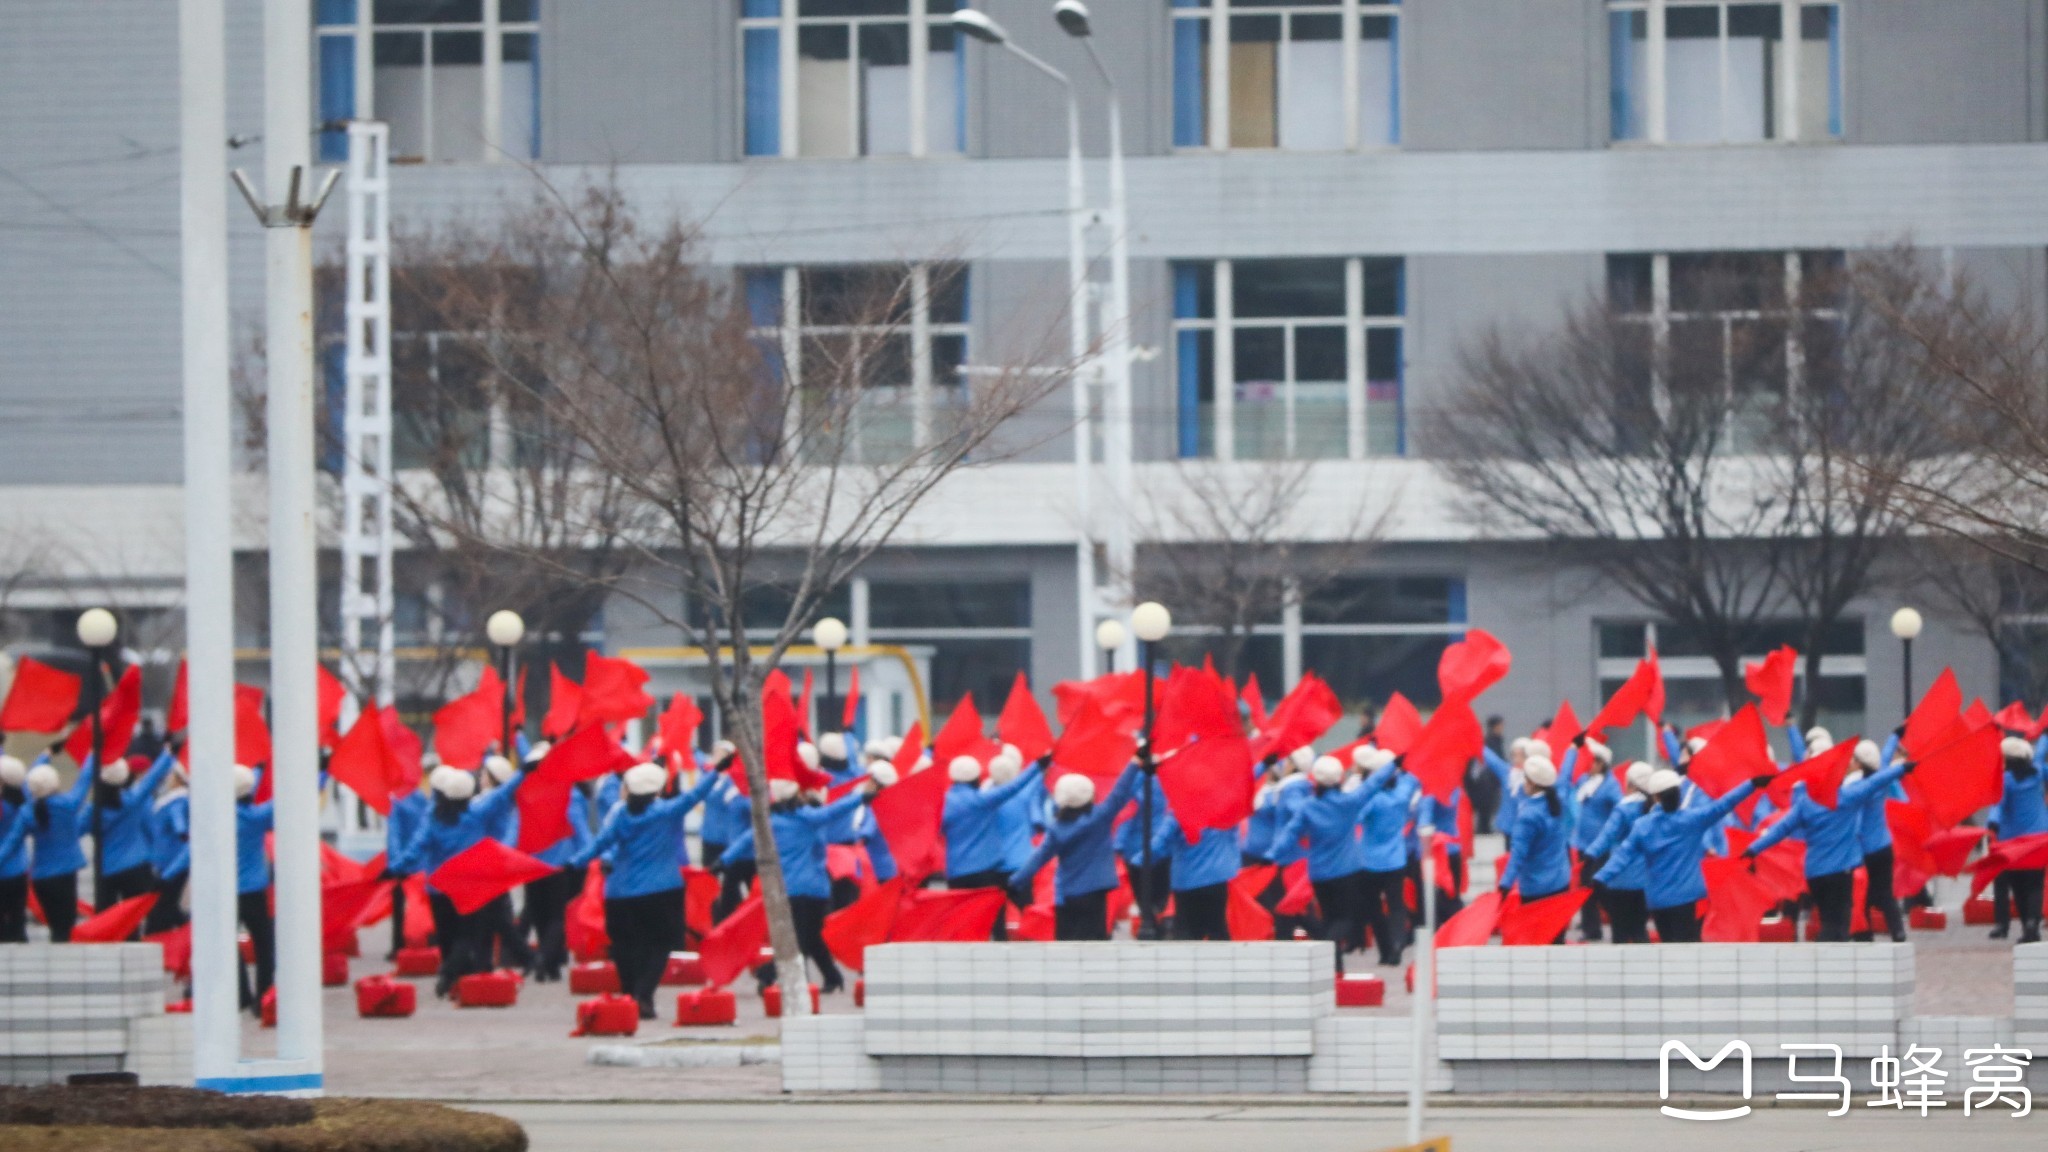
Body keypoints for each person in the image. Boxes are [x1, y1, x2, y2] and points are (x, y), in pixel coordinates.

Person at [571, 763, 724, 1018]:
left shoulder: (620, 814)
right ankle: (643, 994)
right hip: (661, 890)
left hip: (620, 892)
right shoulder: (665, 812)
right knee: (659, 944)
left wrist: (574, 863)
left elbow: (601, 843)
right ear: (656, 790)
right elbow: (695, 795)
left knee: (624, 945)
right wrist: (716, 771)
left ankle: (630, 995)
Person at [719, 772, 883, 995]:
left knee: (799, 940)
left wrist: (723, 861)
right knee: (811, 937)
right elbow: (833, 811)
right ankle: (831, 977)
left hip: (789, 889)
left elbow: (746, 840)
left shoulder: (770, 823)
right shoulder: (809, 817)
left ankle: (771, 973)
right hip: (817, 889)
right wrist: (861, 797)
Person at [390, 763, 531, 997]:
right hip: (467, 887)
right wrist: (524, 771)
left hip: (437, 888)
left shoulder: (433, 820)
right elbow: (502, 793)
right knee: (467, 935)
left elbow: (415, 849)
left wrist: (394, 869)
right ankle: (450, 975)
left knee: (446, 935)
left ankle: (453, 979)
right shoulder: (475, 814)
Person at [1744, 750, 1913, 943]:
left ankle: (1826, 962)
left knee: (1828, 921)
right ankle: (1825, 965)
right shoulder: (1847, 797)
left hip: (1815, 874)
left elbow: (1780, 829)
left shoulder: (1805, 804)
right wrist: (1901, 768)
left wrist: (1752, 849)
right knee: (1838, 926)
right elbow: (1875, 782)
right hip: (1840, 872)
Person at [1602, 769, 1768, 944]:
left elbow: (1622, 855)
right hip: (1688, 898)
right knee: (1689, 950)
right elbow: (1723, 805)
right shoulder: (1691, 819)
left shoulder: (1644, 826)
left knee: (1667, 949)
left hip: (1658, 901)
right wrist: (1752, 784)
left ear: (1656, 797)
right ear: (1678, 794)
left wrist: (1600, 877)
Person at [1260, 755, 1391, 973]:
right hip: (1348, 871)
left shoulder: (1308, 807)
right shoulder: (1349, 802)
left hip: (1319, 874)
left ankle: (1335, 967)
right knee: (1350, 918)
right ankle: (1329, 947)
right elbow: (1372, 785)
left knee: (1330, 918)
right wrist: (1392, 766)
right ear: (1340, 778)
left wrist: (1271, 855)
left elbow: (1289, 834)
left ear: (1315, 781)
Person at [1009, 763, 1143, 942]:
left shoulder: (1057, 829)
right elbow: (1120, 792)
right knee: (1094, 942)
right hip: (1095, 891)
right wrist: (1135, 764)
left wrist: (1015, 881)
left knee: (1067, 943)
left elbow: (1038, 858)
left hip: (1067, 894)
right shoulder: (1100, 817)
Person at [942, 749, 1047, 939]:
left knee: (966, 919)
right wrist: (1040, 765)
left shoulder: (946, 802)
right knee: (1017, 914)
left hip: (959, 872)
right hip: (1006, 866)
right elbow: (1020, 786)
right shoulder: (985, 800)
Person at [0, 753, 99, 943]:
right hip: (65, 874)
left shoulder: (27, 812)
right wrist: (93, 754)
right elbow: (85, 779)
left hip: (40, 877)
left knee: (51, 924)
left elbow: (11, 843)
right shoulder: (69, 804)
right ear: (55, 784)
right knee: (64, 928)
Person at [87, 748, 178, 915]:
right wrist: (169, 753)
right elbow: (150, 779)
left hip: (106, 868)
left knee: (107, 921)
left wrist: (92, 757)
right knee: (135, 918)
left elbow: (75, 828)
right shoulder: (132, 800)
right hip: (136, 864)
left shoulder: (92, 811)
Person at [1353, 748, 1415, 965]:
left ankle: (1385, 950)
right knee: (1397, 906)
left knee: (1374, 909)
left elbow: (1356, 817)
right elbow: (1415, 775)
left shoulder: (1373, 799)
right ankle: (1398, 944)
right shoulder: (1404, 791)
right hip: (1396, 859)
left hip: (1369, 861)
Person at [1147, 803, 1240, 941]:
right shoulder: (1222, 809)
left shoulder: (1179, 811)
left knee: (1187, 932)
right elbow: (1233, 833)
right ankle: (1222, 961)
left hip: (1186, 880)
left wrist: (1142, 859)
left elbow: (1161, 841)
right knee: (1217, 927)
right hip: (1216, 877)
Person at [1586, 762, 1656, 943]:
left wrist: (1590, 854)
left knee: (1620, 932)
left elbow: (1607, 836)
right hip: (1647, 879)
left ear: (1630, 784)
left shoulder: (1624, 808)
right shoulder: (1654, 808)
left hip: (1621, 878)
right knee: (1640, 928)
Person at [1989, 734, 2048, 944]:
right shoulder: (2038, 772)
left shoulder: (2006, 781)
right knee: (2035, 883)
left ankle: (2026, 926)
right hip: (2040, 838)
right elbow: (2040, 753)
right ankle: (2033, 923)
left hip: (2012, 842)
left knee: (2018, 885)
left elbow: (1998, 804)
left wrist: (1992, 823)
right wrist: (2045, 736)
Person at [1498, 755, 1571, 918]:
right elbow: (1565, 776)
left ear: (1532, 783)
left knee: (1537, 940)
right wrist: (1572, 750)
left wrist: (1505, 884)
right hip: (1561, 881)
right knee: (1557, 937)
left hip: (1536, 888)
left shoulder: (1528, 816)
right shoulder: (1559, 801)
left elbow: (1518, 854)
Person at [1851, 737, 1908, 943]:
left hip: (1863, 851)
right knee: (1885, 894)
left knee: (1862, 895)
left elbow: (1856, 823)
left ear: (1859, 763)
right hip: (1884, 846)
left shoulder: (1857, 787)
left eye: (1853, 759)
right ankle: (1898, 932)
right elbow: (1883, 758)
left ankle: (1864, 935)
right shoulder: (1881, 779)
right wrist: (1894, 736)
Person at [230, 765, 276, 1011]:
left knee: (229, 945)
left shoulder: (221, 818)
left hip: (228, 892)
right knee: (264, 945)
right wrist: (320, 773)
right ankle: (263, 998)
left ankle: (240, 994)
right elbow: (290, 797)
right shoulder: (257, 818)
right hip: (255, 890)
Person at [1569, 739, 1618, 942]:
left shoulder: (1610, 785)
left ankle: (1615, 920)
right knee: (1585, 886)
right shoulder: (1584, 781)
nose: (1589, 764)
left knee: (1599, 887)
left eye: (1594, 761)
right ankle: (1591, 928)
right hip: (1583, 843)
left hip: (1600, 845)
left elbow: (1619, 809)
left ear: (1601, 764)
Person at [142, 759, 191, 936]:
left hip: (170, 863)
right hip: (170, 861)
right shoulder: (181, 799)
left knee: (163, 906)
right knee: (168, 905)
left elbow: (179, 823)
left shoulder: (175, 801)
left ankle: (156, 937)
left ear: (178, 778)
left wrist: (182, 832)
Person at [383, 778, 430, 960]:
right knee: (422, 903)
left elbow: (394, 835)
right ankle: (427, 938)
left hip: (401, 862)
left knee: (399, 905)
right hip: (420, 860)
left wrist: (393, 864)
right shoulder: (421, 797)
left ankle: (397, 945)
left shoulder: (396, 800)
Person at [0, 756, 29, 942]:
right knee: (18, 919)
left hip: (2, 873)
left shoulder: (3, 808)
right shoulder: (23, 803)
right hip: (19, 869)